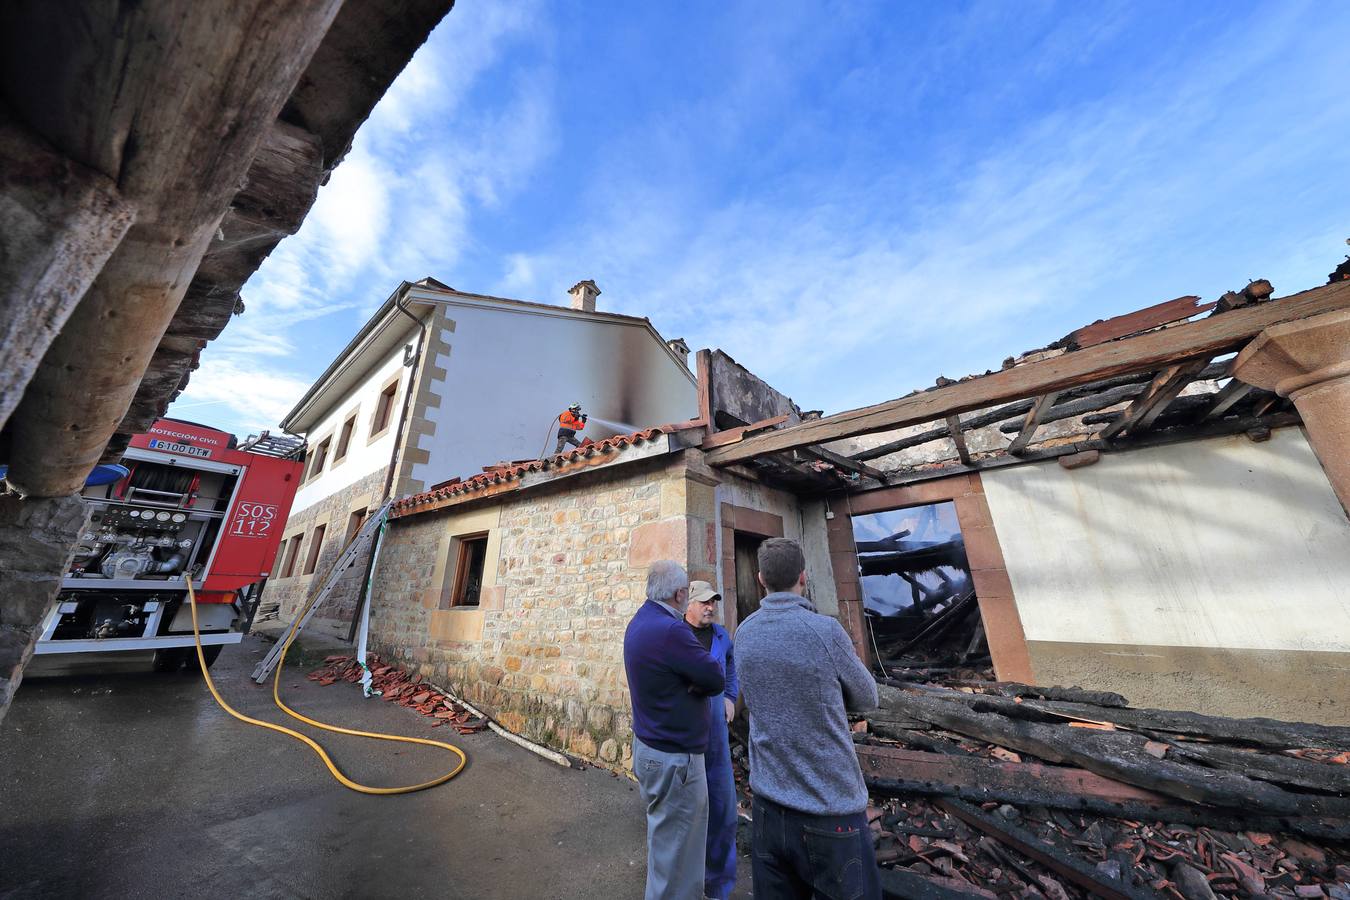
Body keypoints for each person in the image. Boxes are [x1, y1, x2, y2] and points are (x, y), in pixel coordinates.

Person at [734, 538, 881, 900]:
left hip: (768, 807)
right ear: (803, 577)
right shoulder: (825, 631)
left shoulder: (744, 632)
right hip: (829, 810)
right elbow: (868, 698)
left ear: (759, 579)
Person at [624, 560, 727, 900]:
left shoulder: (640, 621)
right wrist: (695, 682)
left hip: (651, 748)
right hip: (675, 760)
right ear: (681, 594)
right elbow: (714, 676)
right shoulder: (672, 630)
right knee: (680, 853)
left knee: (667, 844)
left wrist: (690, 681)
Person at [683, 580, 739, 900]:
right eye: (704, 602)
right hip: (685, 734)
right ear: (688, 605)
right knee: (688, 814)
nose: (710, 607)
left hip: (716, 736)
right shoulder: (675, 636)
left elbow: (732, 666)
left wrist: (730, 697)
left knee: (723, 811)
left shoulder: (721, 636)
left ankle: (717, 886)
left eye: (714, 602)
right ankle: (687, 883)